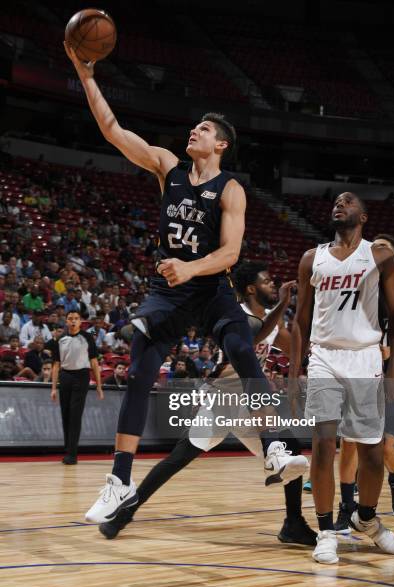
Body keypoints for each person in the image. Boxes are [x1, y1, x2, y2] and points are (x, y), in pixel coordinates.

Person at [64, 42, 308, 524]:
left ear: (221, 144)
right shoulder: (167, 167)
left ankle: (276, 447)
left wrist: (191, 267)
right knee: (137, 370)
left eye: (205, 128)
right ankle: (119, 479)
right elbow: (113, 131)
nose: (194, 129)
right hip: (171, 293)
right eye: (194, 125)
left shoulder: (231, 189)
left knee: (242, 348)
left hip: (210, 287)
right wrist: (85, 73)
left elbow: (232, 254)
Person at [99, 262, 314, 544]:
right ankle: (124, 513)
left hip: (251, 406)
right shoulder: (236, 315)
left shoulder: (272, 323)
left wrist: (300, 313)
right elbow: (251, 337)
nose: (273, 284)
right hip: (223, 399)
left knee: (291, 452)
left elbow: (298, 343)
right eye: (267, 281)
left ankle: (293, 523)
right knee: (179, 458)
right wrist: (282, 308)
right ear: (250, 289)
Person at [290, 192, 394, 564]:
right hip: (324, 355)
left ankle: (367, 519)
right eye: (336, 201)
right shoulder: (312, 258)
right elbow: (301, 320)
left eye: (349, 201)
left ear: (364, 215)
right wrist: (294, 372)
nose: (340, 204)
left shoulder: (380, 256)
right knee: (323, 444)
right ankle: (326, 531)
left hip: (366, 357)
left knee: (372, 454)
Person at [334, 233, 394, 529]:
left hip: (393, 377)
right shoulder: (358, 287)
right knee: (348, 444)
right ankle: (345, 508)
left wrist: (392, 351)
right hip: (359, 374)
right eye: (374, 249)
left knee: (384, 447)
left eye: (383, 250)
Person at [51, 311, 104, 465]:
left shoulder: (87, 338)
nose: (73, 321)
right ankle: (68, 449)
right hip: (65, 376)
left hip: (81, 376)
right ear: (66, 322)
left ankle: (72, 454)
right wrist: (53, 388)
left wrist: (99, 386)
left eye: (76, 319)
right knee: (65, 414)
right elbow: (55, 365)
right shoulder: (60, 339)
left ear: (80, 321)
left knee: (75, 415)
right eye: (70, 319)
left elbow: (94, 363)